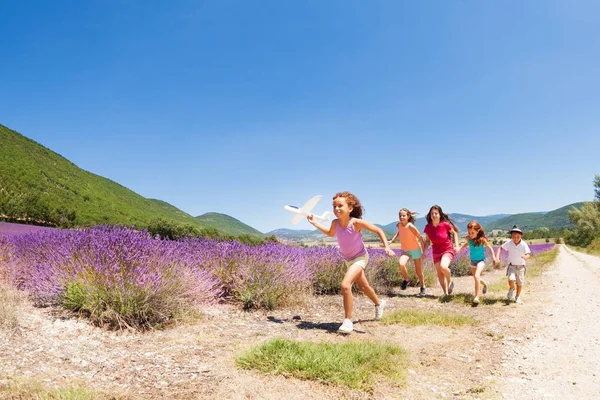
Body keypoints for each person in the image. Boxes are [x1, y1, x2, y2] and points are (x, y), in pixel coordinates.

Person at [307, 191, 395, 333]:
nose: (336, 209)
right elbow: (330, 234)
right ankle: (379, 304)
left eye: (340, 206)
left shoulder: (356, 223)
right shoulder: (335, 223)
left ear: (350, 208)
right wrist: (314, 223)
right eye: (334, 206)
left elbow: (378, 230)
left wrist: (387, 246)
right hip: (349, 260)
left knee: (345, 285)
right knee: (364, 287)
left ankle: (348, 321)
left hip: (360, 258)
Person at [456, 221, 499, 304]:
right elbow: (466, 244)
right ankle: (485, 284)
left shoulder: (482, 240)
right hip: (473, 261)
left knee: (476, 276)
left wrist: (493, 257)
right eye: (469, 232)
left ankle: (476, 297)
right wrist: (459, 249)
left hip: (481, 261)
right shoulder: (468, 239)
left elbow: (490, 248)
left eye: (472, 233)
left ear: (477, 231)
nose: (470, 234)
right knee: (476, 277)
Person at [388, 208, 427, 295]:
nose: (401, 217)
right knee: (401, 264)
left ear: (408, 216)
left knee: (418, 271)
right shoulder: (399, 225)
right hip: (406, 250)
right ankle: (406, 280)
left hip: (416, 250)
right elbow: (399, 232)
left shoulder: (411, 226)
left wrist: (423, 251)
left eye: (404, 216)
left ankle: (423, 286)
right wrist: (392, 240)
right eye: (400, 216)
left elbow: (420, 238)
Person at [423, 205, 459, 296]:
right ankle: (445, 293)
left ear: (440, 215)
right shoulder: (428, 227)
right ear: (430, 215)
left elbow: (454, 233)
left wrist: (456, 246)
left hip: (447, 249)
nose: (434, 215)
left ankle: (450, 281)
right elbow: (427, 241)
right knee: (439, 273)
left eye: (436, 213)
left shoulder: (445, 224)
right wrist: (424, 251)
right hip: (436, 251)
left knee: (443, 266)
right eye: (432, 214)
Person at [495, 225, 531, 304]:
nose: (515, 238)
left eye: (518, 236)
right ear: (511, 236)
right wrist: (497, 257)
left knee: (520, 283)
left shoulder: (523, 244)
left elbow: (528, 254)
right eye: (514, 236)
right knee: (511, 279)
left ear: (521, 236)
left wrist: (525, 257)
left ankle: (517, 296)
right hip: (512, 266)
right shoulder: (509, 243)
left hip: (521, 266)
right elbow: (500, 248)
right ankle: (511, 288)